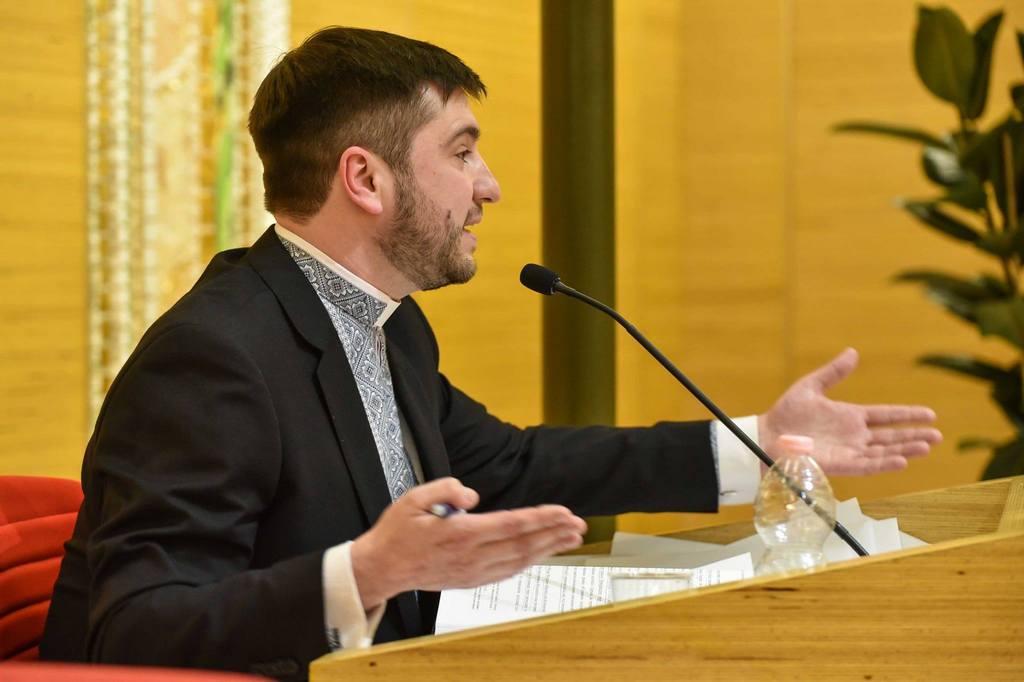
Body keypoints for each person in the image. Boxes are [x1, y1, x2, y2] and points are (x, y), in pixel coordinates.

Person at [41, 26, 941, 680]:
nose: (490, 186)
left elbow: (508, 465)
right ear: (365, 178)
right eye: (463, 153)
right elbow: (134, 628)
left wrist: (758, 444)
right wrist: (365, 574)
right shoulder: (213, 355)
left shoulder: (388, 323)